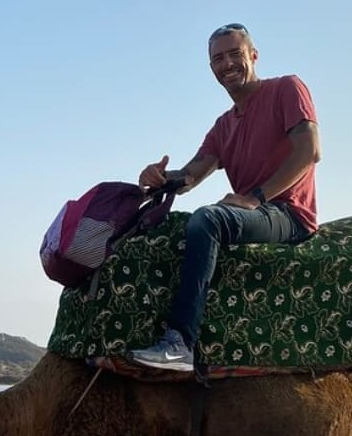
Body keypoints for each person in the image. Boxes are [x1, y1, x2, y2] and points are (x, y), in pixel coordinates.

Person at [129, 23, 320, 373]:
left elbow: (309, 151)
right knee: (173, 225)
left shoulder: (287, 89)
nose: (227, 64)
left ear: (253, 55)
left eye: (235, 54)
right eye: (218, 58)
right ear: (211, 68)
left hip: (287, 213)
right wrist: (158, 179)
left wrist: (256, 198)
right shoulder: (223, 126)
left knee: (209, 218)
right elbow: (190, 176)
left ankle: (180, 343)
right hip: (253, 213)